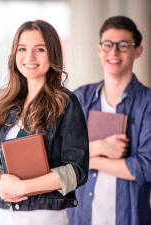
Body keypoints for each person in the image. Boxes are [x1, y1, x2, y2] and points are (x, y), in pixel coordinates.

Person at [0, 20, 89, 225]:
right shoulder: (8, 103)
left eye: (39, 49)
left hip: (44, 216)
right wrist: (0, 186)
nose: (29, 57)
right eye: (22, 49)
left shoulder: (65, 102)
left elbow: (76, 170)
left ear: (52, 54)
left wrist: (22, 188)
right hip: (4, 214)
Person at [67, 16, 151, 225]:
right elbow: (62, 153)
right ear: (99, 49)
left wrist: (91, 161)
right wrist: (99, 147)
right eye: (107, 45)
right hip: (82, 217)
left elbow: (146, 166)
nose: (113, 52)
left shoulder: (148, 103)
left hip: (129, 217)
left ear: (138, 51)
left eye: (123, 45)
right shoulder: (80, 98)